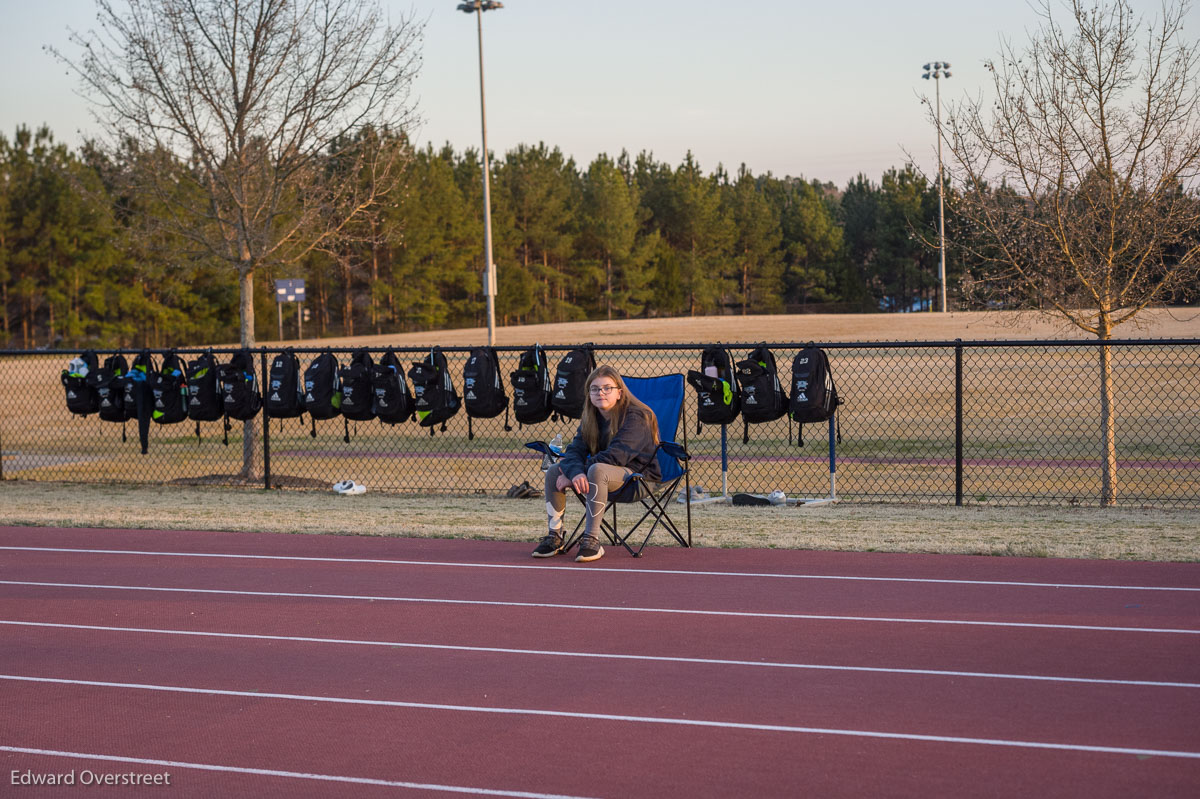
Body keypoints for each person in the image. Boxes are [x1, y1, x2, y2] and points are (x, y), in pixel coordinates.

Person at [532, 365, 661, 562]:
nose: (600, 392)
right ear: (589, 394)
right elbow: (574, 451)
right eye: (595, 389)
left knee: (597, 469)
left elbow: (616, 457)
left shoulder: (637, 417)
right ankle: (555, 536)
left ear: (619, 392)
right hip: (600, 478)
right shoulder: (590, 418)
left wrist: (575, 474)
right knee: (553, 471)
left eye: (607, 388)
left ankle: (591, 539)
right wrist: (574, 473)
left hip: (638, 480)